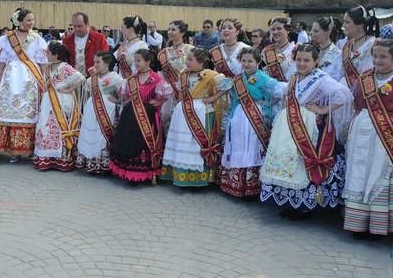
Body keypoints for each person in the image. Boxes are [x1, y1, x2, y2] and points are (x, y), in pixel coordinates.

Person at [259, 43, 354, 219]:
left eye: (307, 60)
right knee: (287, 160)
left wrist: (323, 110)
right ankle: (287, 201)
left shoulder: (321, 78)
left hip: (308, 126)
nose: (302, 64)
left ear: (316, 61)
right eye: (299, 60)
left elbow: (344, 94)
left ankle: (303, 205)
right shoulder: (295, 77)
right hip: (287, 124)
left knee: (301, 161)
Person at [342, 39, 393, 239]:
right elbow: (357, 102)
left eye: (383, 57)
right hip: (361, 132)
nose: (378, 60)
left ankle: (377, 227)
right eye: (375, 56)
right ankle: (358, 224)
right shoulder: (365, 78)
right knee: (359, 174)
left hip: (385, 137)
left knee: (380, 174)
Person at [219, 47, 286, 198]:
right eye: (244, 61)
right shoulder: (237, 78)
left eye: (250, 61)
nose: (246, 64)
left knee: (252, 145)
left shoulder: (263, 77)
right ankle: (234, 183)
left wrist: (267, 103)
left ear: (258, 62)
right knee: (238, 144)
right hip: (238, 115)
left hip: (254, 117)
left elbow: (280, 92)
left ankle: (251, 186)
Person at [161, 48, 231, 187]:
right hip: (183, 113)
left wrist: (213, 97)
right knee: (183, 141)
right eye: (187, 59)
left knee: (196, 143)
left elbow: (228, 84)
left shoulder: (211, 75)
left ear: (202, 62)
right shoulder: (184, 74)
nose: (187, 62)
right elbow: (181, 92)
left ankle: (199, 178)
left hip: (201, 113)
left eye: (190, 59)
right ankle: (179, 175)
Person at [0, 8, 48, 162]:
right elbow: (2, 61)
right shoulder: (7, 38)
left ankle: (29, 149)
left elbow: (42, 62)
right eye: (28, 20)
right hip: (11, 77)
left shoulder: (37, 38)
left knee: (28, 112)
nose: (31, 23)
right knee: (10, 110)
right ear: (20, 21)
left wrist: (44, 80)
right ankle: (13, 150)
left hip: (30, 79)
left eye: (32, 20)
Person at [109, 49, 173, 184]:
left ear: (148, 61)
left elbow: (166, 95)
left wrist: (158, 102)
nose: (136, 63)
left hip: (148, 116)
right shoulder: (132, 79)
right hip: (131, 115)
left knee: (144, 142)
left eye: (138, 60)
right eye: (135, 60)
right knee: (130, 140)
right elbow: (125, 95)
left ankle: (145, 173)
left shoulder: (156, 78)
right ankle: (128, 172)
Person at [33, 42, 86, 171]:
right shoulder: (48, 67)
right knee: (46, 125)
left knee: (59, 125)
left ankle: (62, 158)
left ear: (56, 55)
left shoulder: (64, 67)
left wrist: (70, 89)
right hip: (48, 101)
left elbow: (81, 78)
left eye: (49, 52)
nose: (46, 54)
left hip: (62, 100)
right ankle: (47, 157)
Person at [76, 51, 122, 174]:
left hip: (107, 111)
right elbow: (85, 94)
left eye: (98, 62)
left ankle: (102, 165)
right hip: (91, 109)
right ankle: (90, 163)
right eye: (94, 62)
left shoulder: (116, 78)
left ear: (107, 63)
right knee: (90, 134)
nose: (95, 65)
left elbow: (123, 97)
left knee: (102, 136)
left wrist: (117, 101)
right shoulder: (91, 79)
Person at [340, 6, 378, 90]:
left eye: (347, 22)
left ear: (360, 24)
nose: (344, 26)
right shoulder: (347, 46)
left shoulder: (373, 44)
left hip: (366, 94)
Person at [62, 12, 109, 76]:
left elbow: (107, 58)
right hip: (73, 80)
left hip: (94, 78)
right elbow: (64, 61)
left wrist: (98, 69)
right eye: (74, 26)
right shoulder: (66, 40)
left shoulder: (99, 38)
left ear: (87, 24)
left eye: (80, 26)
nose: (76, 29)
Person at [310, 17, 344, 82]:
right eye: (312, 30)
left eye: (316, 31)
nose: (312, 34)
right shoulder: (311, 51)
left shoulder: (338, 55)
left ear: (328, 32)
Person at [261, 18, 294, 83]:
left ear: (287, 30)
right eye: (273, 29)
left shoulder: (295, 50)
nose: (275, 32)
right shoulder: (266, 50)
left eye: (279, 29)